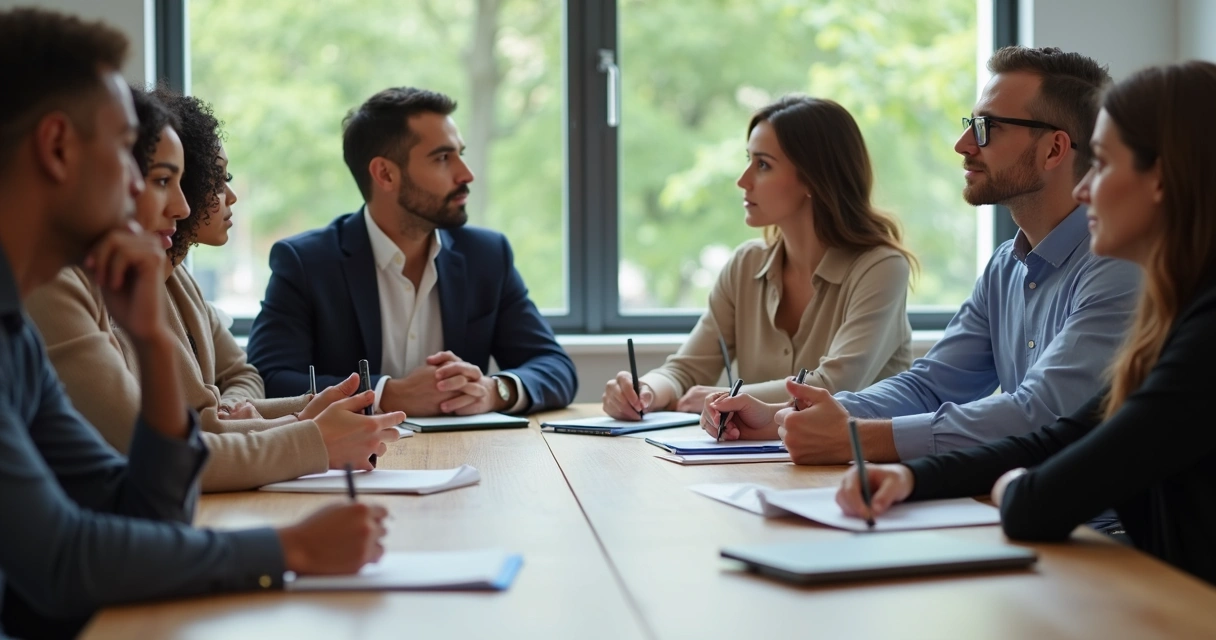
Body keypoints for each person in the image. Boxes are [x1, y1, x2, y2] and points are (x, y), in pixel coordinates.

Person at [0, 8, 397, 638]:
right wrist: (288, 550)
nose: (174, 204)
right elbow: (63, 560)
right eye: (132, 159)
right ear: (56, 148)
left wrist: (152, 344)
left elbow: (143, 510)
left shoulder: (11, 334)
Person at [835, 60, 1216, 586]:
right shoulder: (1176, 314)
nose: (1086, 190)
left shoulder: (1204, 329)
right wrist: (908, 477)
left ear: (1161, 181)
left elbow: (1044, 490)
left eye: (1102, 164)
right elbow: (1063, 437)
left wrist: (1010, 484)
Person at [703, 46, 1141, 466]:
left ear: (1054, 150)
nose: (963, 144)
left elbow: (1040, 413)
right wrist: (788, 417)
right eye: (969, 123)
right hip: (1023, 509)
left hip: (1106, 534)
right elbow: (930, 385)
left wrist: (857, 436)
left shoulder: (1117, 266)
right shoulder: (1005, 266)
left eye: (986, 128)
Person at [26, 88, 397, 493]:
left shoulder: (158, 274)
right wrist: (309, 434)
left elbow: (225, 389)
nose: (184, 206)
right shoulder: (54, 282)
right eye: (163, 180)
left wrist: (303, 413)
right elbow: (159, 455)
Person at [247, 87, 577, 416]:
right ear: (386, 174)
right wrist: (386, 394)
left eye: (460, 153)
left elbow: (555, 366)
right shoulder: (306, 263)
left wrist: (493, 391)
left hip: (470, 456)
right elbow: (270, 380)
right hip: (350, 462)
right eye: (443, 158)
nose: (466, 174)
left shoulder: (487, 256)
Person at [601, 96, 914, 421]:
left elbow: (832, 387)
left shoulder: (881, 268)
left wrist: (731, 396)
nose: (743, 180)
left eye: (762, 165)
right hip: (765, 465)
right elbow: (686, 370)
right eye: (748, 160)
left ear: (813, 178)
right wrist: (644, 390)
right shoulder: (745, 265)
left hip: (862, 467)